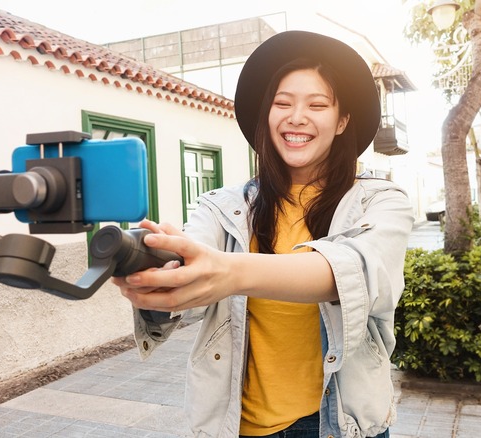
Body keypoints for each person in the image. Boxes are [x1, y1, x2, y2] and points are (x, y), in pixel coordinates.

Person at [113, 30, 414, 438]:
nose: (296, 117)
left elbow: (353, 273)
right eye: (282, 103)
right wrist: (159, 267)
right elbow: (193, 264)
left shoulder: (380, 203)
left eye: (318, 105)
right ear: (266, 115)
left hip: (339, 424)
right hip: (240, 425)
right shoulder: (221, 207)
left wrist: (230, 273)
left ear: (342, 120)